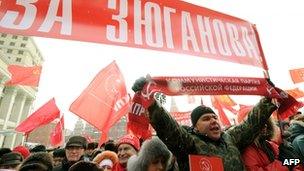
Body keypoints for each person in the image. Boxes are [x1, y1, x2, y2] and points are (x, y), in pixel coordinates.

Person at [131, 77, 278, 170]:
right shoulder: (189, 143)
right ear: (196, 127)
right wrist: (151, 103)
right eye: (206, 119)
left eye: (214, 117)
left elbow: (251, 124)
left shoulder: (230, 138)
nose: (213, 120)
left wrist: (267, 98)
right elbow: (169, 127)